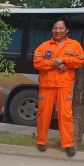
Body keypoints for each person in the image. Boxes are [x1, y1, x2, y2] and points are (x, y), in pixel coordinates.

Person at [33, 17, 84, 157]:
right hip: (47, 86)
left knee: (65, 116)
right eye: (55, 28)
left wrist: (65, 61)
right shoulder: (44, 46)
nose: (57, 30)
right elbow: (37, 62)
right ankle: (41, 141)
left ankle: (68, 145)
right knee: (44, 114)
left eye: (60, 28)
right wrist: (54, 63)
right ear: (52, 30)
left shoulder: (74, 45)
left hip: (64, 86)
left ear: (67, 30)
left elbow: (80, 60)